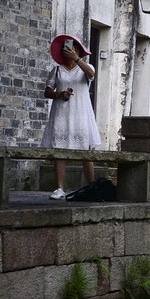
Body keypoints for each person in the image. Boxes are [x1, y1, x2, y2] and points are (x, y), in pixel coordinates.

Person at [42, 34, 101, 199]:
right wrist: (59, 94)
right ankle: (59, 188)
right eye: (68, 48)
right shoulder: (57, 70)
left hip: (81, 112)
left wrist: (77, 60)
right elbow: (47, 91)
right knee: (60, 149)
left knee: (85, 149)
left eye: (75, 48)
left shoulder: (86, 68)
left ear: (79, 51)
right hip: (62, 112)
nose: (71, 50)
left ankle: (92, 186)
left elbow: (92, 75)